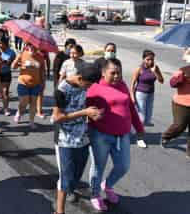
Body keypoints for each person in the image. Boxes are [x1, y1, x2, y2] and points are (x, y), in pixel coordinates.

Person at [86, 58, 146, 212]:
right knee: (98, 167)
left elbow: (130, 107)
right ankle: (94, 194)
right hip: (100, 135)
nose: (117, 76)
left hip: (123, 135)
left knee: (123, 166)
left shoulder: (123, 85)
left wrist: (139, 128)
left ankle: (108, 185)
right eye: (113, 73)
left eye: (119, 72)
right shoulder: (94, 88)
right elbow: (84, 110)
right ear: (103, 72)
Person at [52, 63, 102, 214]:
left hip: (83, 139)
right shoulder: (61, 90)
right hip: (64, 140)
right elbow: (57, 117)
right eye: (88, 84)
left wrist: (94, 114)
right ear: (80, 78)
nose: (89, 87)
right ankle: (60, 211)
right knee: (65, 177)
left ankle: (70, 189)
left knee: (77, 173)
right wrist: (84, 112)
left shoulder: (83, 86)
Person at [161, 48, 190, 159]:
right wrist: (181, 78)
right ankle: (166, 136)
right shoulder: (183, 70)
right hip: (181, 104)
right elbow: (172, 83)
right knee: (180, 126)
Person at [11, 43, 45, 129]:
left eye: (35, 46)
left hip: (36, 84)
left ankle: (31, 121)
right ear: (28, 46)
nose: (33, 47)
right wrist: (18, 61)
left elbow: (42, 71)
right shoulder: (22, 54)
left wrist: (43, 82)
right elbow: (13, 67)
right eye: (31, 45)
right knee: (24, 102)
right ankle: (19, 112)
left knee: (33, 103)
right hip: (23, 83)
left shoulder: (40, 57)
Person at [130, 50, 164, 129]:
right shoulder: (139, 69)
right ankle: (139, 135)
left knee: (148, 118)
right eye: (148, 59)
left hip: (150, 94)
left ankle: (137, 129)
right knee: (142, 117)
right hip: (140, 94)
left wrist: (155, 71)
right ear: (143, 59)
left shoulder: (155, 68)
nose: (150, 61)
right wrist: (132, 97)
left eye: (152, 59)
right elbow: (132, 84)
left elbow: (161, 81)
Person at [0, 37, 16, 116]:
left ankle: (6, 109)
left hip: (6, 73)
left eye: (0, 43)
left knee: (5, 91)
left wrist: (0, 59)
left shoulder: (11, 52)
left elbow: (8, 63)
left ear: (5, 44)